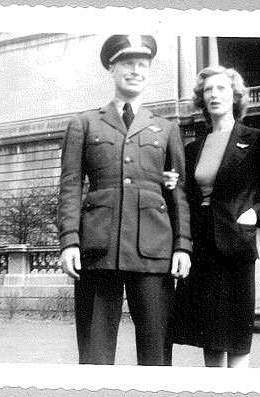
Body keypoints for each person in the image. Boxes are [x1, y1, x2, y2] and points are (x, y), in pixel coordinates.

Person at [57, 34, 192, 366]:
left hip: (154, 249)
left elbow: (178, 194)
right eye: (128, 64)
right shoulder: (84, 124)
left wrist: (182, 245)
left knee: (157, 353)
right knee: (94, 354)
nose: (136, 71)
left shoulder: (166, 128)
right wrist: (69, 242)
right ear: (111, 68)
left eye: (142, 65)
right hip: (99, 248)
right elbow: (70, 186)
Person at [166, 66, 260, 368]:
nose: (214, 95)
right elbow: (187, 194)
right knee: (210, 333)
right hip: (201, 248)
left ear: (235, 96)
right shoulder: (193, 148)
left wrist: (255, 214)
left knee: (236, 333)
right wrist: (175, 185)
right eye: (208, 90)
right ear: (202, 98)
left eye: (222, 89)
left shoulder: (256, 140)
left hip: (235, 246)